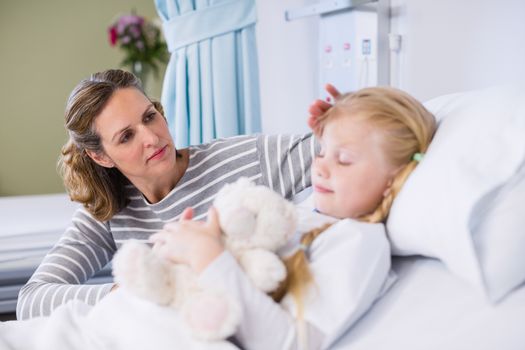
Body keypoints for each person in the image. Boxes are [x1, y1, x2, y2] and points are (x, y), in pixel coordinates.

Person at [16, 69, 318, 320]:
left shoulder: (248, 159)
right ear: (101, 157)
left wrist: (338, 119)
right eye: (126, 136)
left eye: (149, 117)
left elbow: (334, 148)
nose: (151, 137)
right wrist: (132, 291)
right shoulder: (109, 212)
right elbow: (32, 299)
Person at [149, 86, 437, 349]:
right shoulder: (308, 208)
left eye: (345, 159)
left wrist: (207, 256)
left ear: (395, 177)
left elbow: (290, 342)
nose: (321, 168)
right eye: (323, 151)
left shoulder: (359, 242)